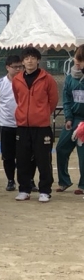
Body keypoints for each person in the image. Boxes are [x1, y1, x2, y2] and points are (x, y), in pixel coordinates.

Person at [12, 46, 58, 202]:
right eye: (26, 58)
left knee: (43, 159)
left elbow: (53, 100)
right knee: (22, 159)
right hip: (23, 126)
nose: (30, 61)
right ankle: (24, 189)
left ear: (38, 60)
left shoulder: (47, 79)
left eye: (32, 58)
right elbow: (18, 98)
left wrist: (42, 114)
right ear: (23, 62)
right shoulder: (17, 79)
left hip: (41, 127)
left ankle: (45, 190)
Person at [56, 45, 84, 193]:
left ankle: (83, 185)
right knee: (61, 148)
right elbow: (66, 100)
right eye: (76, 59)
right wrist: (68, 118)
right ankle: (64, 181)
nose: (77, 62)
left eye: (81, 60)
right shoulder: (69, 78)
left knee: (83, 154)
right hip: (73, 119)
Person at [0, 54, 22, 192]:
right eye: (14, 67)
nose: (17, 69)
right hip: (6, 125)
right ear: (7, 67)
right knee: (8, 155)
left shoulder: (25, 82)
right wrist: (1, 118)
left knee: (25, 155)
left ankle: (27, 180)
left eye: (20, 67)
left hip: (23, 124)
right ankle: (10, 180)